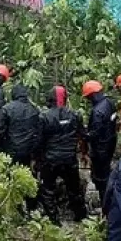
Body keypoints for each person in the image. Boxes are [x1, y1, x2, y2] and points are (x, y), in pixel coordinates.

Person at [36, 85, 87, 225]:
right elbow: (82, 135)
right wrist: (84, 153)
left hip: (51, 159)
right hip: (69, 159)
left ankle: (54, 220)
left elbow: (39, 141)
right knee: (74, 189)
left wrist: (37, 159)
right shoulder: (75, 115)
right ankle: (80, 216)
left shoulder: (44, 117)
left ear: (49, 99)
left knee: (48, 190)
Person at [82, 79, 117, 204]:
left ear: (92, 95)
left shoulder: (97, 111)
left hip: (101, 148)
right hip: (110, 143)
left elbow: (94, 134)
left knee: (101, 178)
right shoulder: (110, 103)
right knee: (106, 172)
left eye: (88, 98)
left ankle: (106, 202)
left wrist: (83, 135)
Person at [0, 83, 40, 170]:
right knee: (25, 173)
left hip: (11, 149)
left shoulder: (6, 109)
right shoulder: (35, 110)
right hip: (28, 150)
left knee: (9, 173)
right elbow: (38, 132)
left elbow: (0, 131)